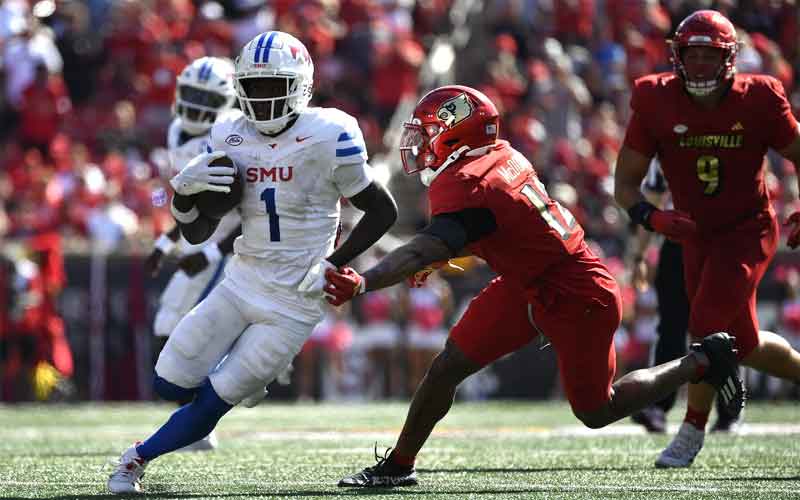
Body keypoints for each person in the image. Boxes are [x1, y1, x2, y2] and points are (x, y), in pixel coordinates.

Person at [325, 84, 743, 488]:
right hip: (528, 280)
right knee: (449, 364)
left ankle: (701, 362)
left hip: (577, 291)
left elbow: (426, 245)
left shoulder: (469, 182)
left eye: (430, 134)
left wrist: (364, 281)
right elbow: (493, 229)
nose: (421, 145)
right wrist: (440, 256)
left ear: (459, 134)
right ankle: (400, 464)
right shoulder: (500, 155)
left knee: (598, 410)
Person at [107, 31, 398, 494]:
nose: (262, 98)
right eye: (253, 86)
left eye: (273, 86)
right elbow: (198, 232)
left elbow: (384, 210)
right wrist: (182, 196)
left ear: (299, 85)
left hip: (295, 298)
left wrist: (334, 262)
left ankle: (135, 459)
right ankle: (240, 383)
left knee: (215, 401)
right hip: (240, 281)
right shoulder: (228, 133)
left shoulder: (330, 132)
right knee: (167, 382)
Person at [614, 9, 800, 468]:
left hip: (746, 230)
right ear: (677, 56)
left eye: (708, 55)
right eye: (691, 55)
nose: (698, 66)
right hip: (694, 234)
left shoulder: (759, 97)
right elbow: (625, 185)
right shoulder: (655, 98)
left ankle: (692, 430)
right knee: (746, 343)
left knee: (706, 323)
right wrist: (653, 220)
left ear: (729, 58)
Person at [145, 56, 241, 451]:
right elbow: (184, 198)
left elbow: (246, 211)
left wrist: (213, 253)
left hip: (234, 244)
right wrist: (165, 242)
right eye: (193, 94)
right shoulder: (175, 132)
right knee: (167, 324)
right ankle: (192, 421)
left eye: (208, 96)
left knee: (199, 330)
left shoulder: (232, 132)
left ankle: (201, 420)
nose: (198, 104)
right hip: (198, 239)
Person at [628, 161, 738, 433]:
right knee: (671, 328)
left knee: (724, 329)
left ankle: (730, 409)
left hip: (722, 243)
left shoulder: (734, 130)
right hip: (679, 245)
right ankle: (658, 405)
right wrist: (640, 254)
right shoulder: (669, 135)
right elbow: (652, 202)